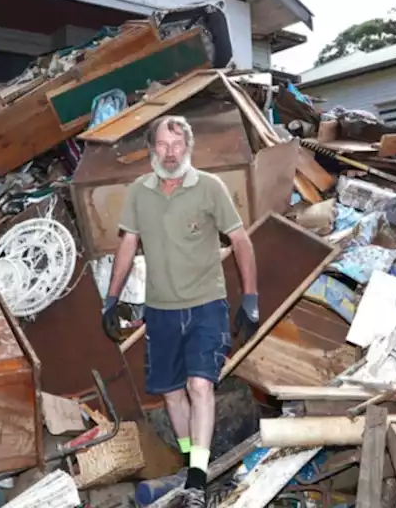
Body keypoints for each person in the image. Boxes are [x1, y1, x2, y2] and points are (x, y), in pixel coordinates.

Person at [102, 115, 259, 507]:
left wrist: (250, 297)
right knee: (172, 394)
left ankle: (197, 480)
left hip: (206, 305)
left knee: (199, 386)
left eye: (177, 145)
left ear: (188, 148)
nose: (170, 153)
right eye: (162, 145)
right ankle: (193, 460)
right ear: (152, 148)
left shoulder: (209, 188)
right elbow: (127, 245)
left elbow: (241, 241)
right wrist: (111, 297)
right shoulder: (140, 191)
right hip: (161, 310)